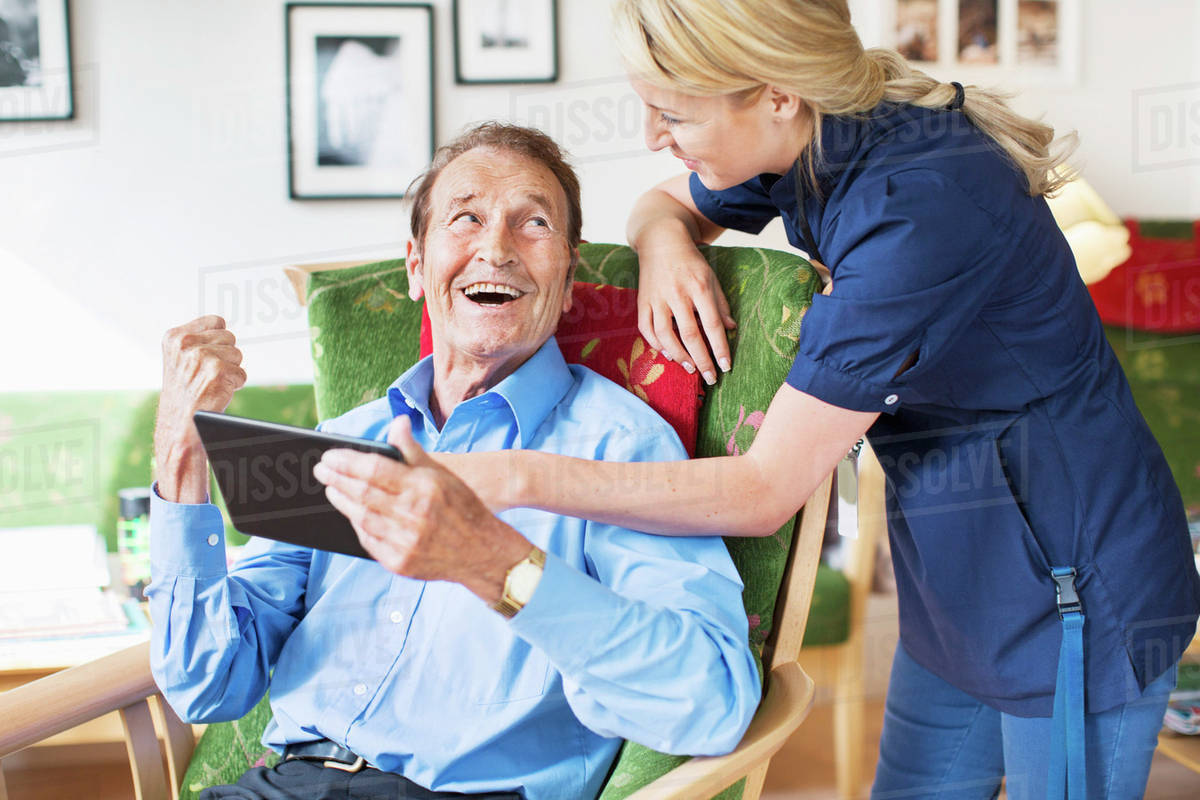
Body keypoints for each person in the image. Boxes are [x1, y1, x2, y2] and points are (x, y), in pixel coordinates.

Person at [430, 2, 1200, 798]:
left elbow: (762, 492)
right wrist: (663, 242)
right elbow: (664, 199)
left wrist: (514, 477)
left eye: (672, 115)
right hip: (955, 575)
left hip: (1072, 578)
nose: (653, 135)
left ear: (774, 94)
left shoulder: (917, 206)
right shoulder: (812, 135)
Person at [148, 122, 760, 800]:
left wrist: (494, 566)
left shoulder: (618, 447)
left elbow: (713, 699)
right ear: (416, 265)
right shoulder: (344, 441)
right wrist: (180, 456)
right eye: (464, 219)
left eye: (533, 224)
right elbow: (203, 682)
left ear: (568, 275)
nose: (495, 248)